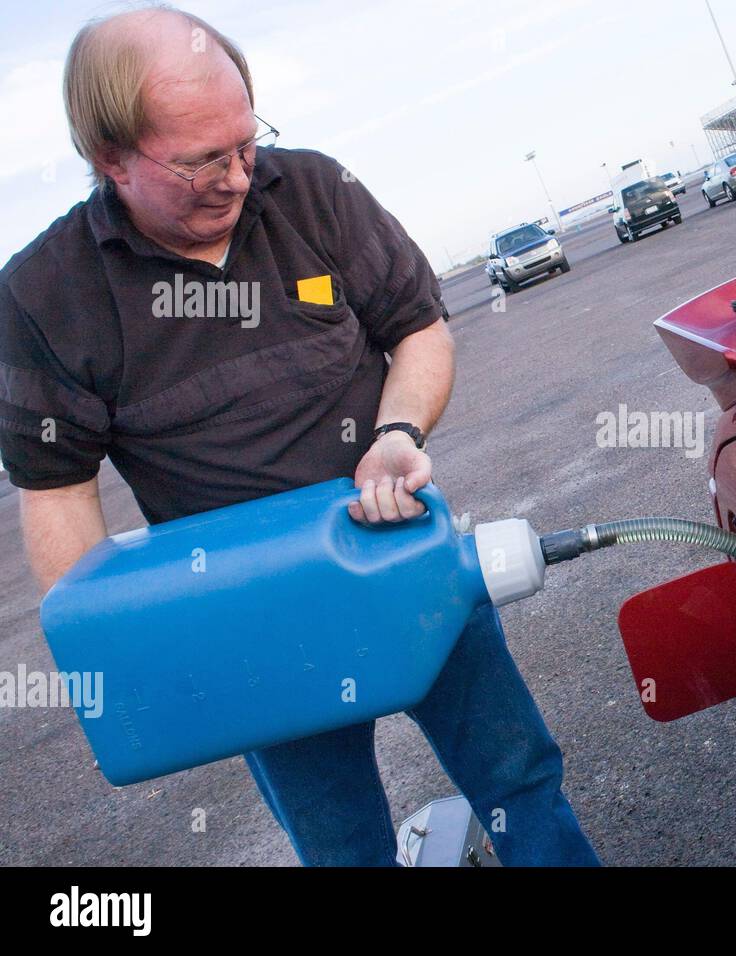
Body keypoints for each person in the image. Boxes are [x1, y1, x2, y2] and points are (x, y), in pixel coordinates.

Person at [0, 5, 598, 866]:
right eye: (203, 160)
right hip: (248, 618)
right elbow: (56, 493)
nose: (240, 178)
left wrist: (396, 431)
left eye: (247, 144)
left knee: (518, 777)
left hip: (403, 552)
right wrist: (121, 657)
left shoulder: (315, 191)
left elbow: (420, 330)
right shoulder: (44, 295)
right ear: (110, 158)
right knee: (339, 841)